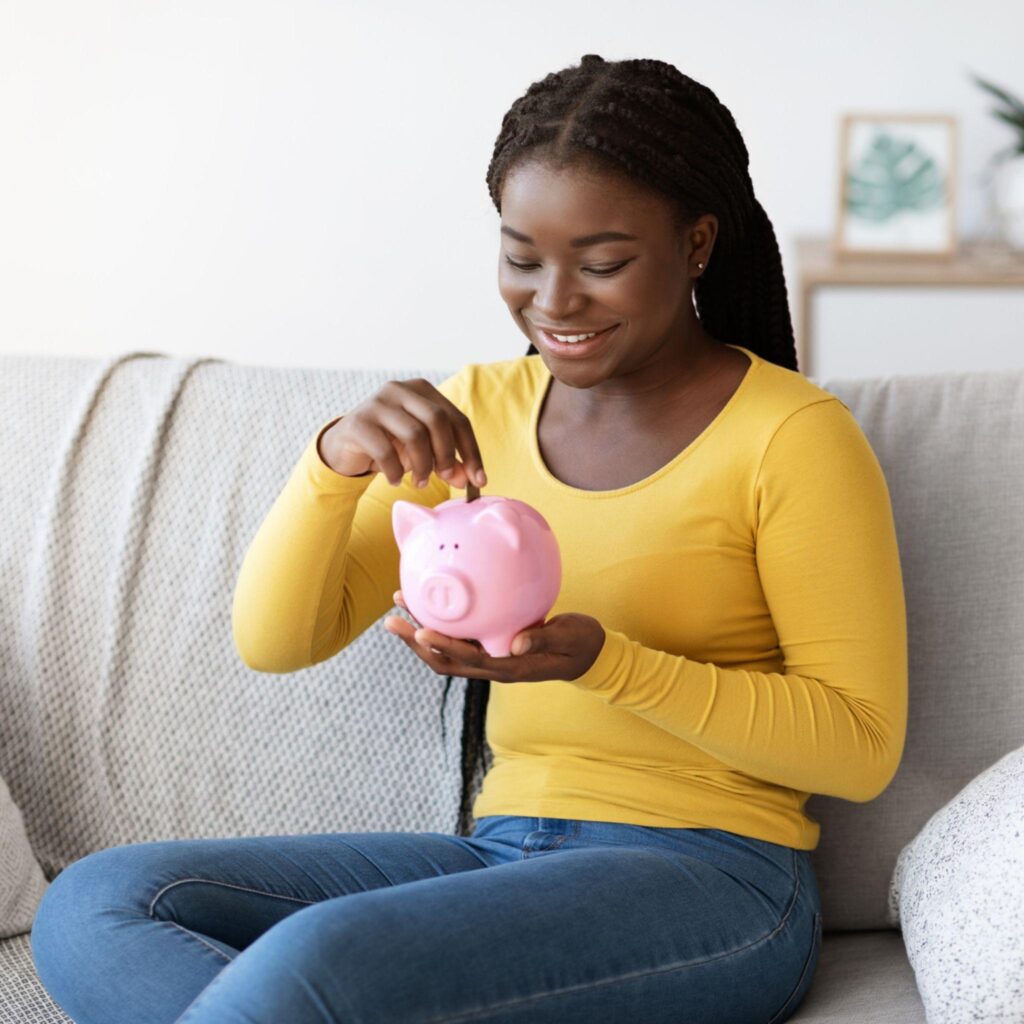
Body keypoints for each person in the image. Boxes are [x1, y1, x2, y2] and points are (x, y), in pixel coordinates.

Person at [30, 53, 907, 1024]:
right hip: (500, 852)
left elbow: (858, 747)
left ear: (697, 243)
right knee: (99, 904)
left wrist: (607, 663)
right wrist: (333, 464)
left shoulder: (790, 435)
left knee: (321, 961)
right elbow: (275, 641)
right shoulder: (474, 411)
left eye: (603, 261)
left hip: (716, 877)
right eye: (523, 257)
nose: (554, 301)